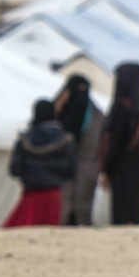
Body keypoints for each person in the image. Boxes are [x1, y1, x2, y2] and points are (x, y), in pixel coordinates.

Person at [4, 99, 76, 228]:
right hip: (54, 196)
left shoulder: (24, 140)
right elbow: (71, 170)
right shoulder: (65, 140)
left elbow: (15, 169)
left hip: (31, 196)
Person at [99, 63, 139, 226]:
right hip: (138, 169)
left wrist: (106, 169)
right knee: (134, 212)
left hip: (120, 169)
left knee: (121, 213)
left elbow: (115, 142)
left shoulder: (121, 108)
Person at [52, 75, 103, 226]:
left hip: (85, 168)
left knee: (80, 210)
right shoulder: (57, 111)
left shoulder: (96, 116)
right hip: (61, 169)